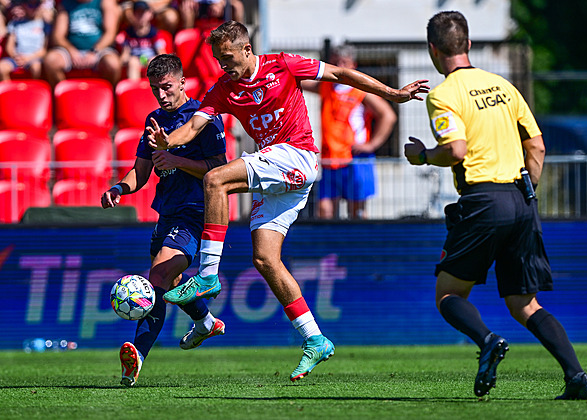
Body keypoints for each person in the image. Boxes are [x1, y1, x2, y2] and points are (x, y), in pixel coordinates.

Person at [146, 20, 428, 382]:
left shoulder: (283, 64)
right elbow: (194, 127)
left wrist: (392, 93)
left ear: (247, 50)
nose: (223, 65)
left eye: (227, 57)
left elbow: (341, 74)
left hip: (297, 156)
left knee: (215, 179)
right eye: (217, 58)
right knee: (265, 259)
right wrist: (169, 141)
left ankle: (207, 276)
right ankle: (315, 339)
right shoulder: (224, 89)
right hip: (279, 172)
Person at [404, 11, 587, 400]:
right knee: (525, 303)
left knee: (449, 295)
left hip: (483, 200)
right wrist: (527, 192)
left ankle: (488, 340)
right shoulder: (504, 86)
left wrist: (423, 156)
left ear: (432, 50)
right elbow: (537, 145)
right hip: (520, 198)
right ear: (469, 44)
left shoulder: (444, 94)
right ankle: (577, 378)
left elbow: (456, 150)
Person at [101, 53, 228, 387]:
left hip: (197, 212)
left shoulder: (204, 118)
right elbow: (141, 171)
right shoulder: (153, 119)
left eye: (167, 87)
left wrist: (174, 157)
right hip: (167, 213)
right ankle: (205, 322)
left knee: (157, 276)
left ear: (183, 82)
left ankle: (137, 355)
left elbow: (218, 168)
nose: (161, 95)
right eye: (156, 89)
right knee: (169, 282)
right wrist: (119, 187)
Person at [302, 44, 397, 219]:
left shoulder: (361, 90)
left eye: (344, 62)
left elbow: (388, 115)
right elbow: (300, 81)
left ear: (353, 65)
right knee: (324, 211)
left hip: (355, 159)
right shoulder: (325, 87)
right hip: (331, 160)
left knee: (357, 212)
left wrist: (372, 144)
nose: (340, 67)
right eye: (336, 62)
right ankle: (328, 246)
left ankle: (359, 244)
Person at [43, 0, 122, 88]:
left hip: (99, 49)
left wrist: (94, 51)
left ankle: (108, 95)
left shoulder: (105, 2)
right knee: (51, 61)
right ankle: (64, 94)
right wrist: (71, 51)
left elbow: (110, 34)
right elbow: (58, 36)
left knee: (113, 64)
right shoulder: (65, 4)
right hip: (71, 50)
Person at [0, 0, 51, 81]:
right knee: (1, 68)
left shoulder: (45, 25)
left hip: (35, 58)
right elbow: (9, 46)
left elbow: (44, 50)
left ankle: (35, 92)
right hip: (16, 58)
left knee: (36, 68)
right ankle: (8, 92)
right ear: (24, 5)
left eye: (37, 4)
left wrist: (28, 58)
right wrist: (17, 57)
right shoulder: (15, 23)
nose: (34, 8)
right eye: (30, 4)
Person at [117, 0, 167, 80]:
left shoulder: (155, 33)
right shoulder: (128, 34)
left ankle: (153, 88)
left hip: (150, 59)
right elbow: (124, 56)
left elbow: (162, 53)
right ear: (133, 15)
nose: (140, 16)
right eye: (138, 13)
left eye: (143, 13)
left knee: (154, 61)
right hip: (135, 60)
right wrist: (125, 61)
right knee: (133, 62)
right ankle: (135, 88)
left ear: (150, 14)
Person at [178, 0, 244, 30]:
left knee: (237, 6)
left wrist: (222, 2)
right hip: (197, 5)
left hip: (220, 4)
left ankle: (239, 43)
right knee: (186, 9)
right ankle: (187, 46)